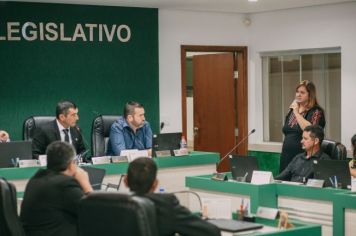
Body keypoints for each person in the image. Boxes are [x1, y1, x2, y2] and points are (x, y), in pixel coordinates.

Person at [124, 157, 221, 236]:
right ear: (155, 184)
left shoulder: (112, 203)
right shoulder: (166, 204)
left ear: (125, 181)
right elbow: (211, 232)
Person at [21, 141, 93, 236]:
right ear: (71, 164)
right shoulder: (64, 185)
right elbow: (93, 212)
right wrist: (85, 183)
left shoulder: (35, 179)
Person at [279, 80, 326, 173]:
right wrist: (294, 111)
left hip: (303, 156)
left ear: (310, 95)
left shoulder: (316, 111)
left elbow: (311, 130)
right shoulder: (292, 111)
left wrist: (296, 112)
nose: (298, 95)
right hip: (286, 155)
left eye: (302, 92)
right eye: (297, 92)